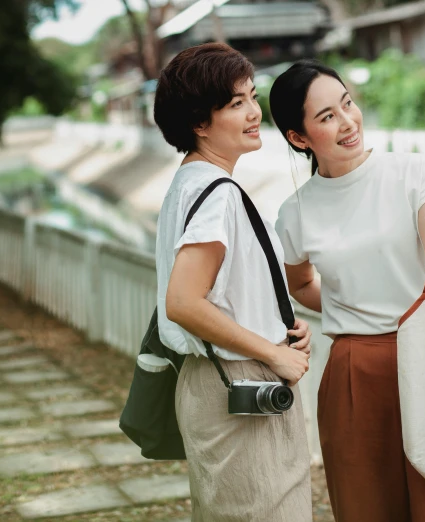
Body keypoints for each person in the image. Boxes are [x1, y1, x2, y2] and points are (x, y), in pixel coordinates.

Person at [269, 59, 425, 521]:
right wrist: (352, 303)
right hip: (355, 376)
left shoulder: (411, 171)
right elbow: (301, 284)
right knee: (367, 507)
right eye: (327, 116)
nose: (348, 122)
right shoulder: (295, 213)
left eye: (347, 104)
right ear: (298, 137)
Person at [153, 43, 314, 521]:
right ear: (200, 122)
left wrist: (280, 326)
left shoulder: (188, 182)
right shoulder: (217, 194)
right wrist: (271, 352)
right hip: (241, 385)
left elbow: (219, 293)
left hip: (216, 381)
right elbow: (183, 301)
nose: (252, 112)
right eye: (235, 103)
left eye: (251, 96)